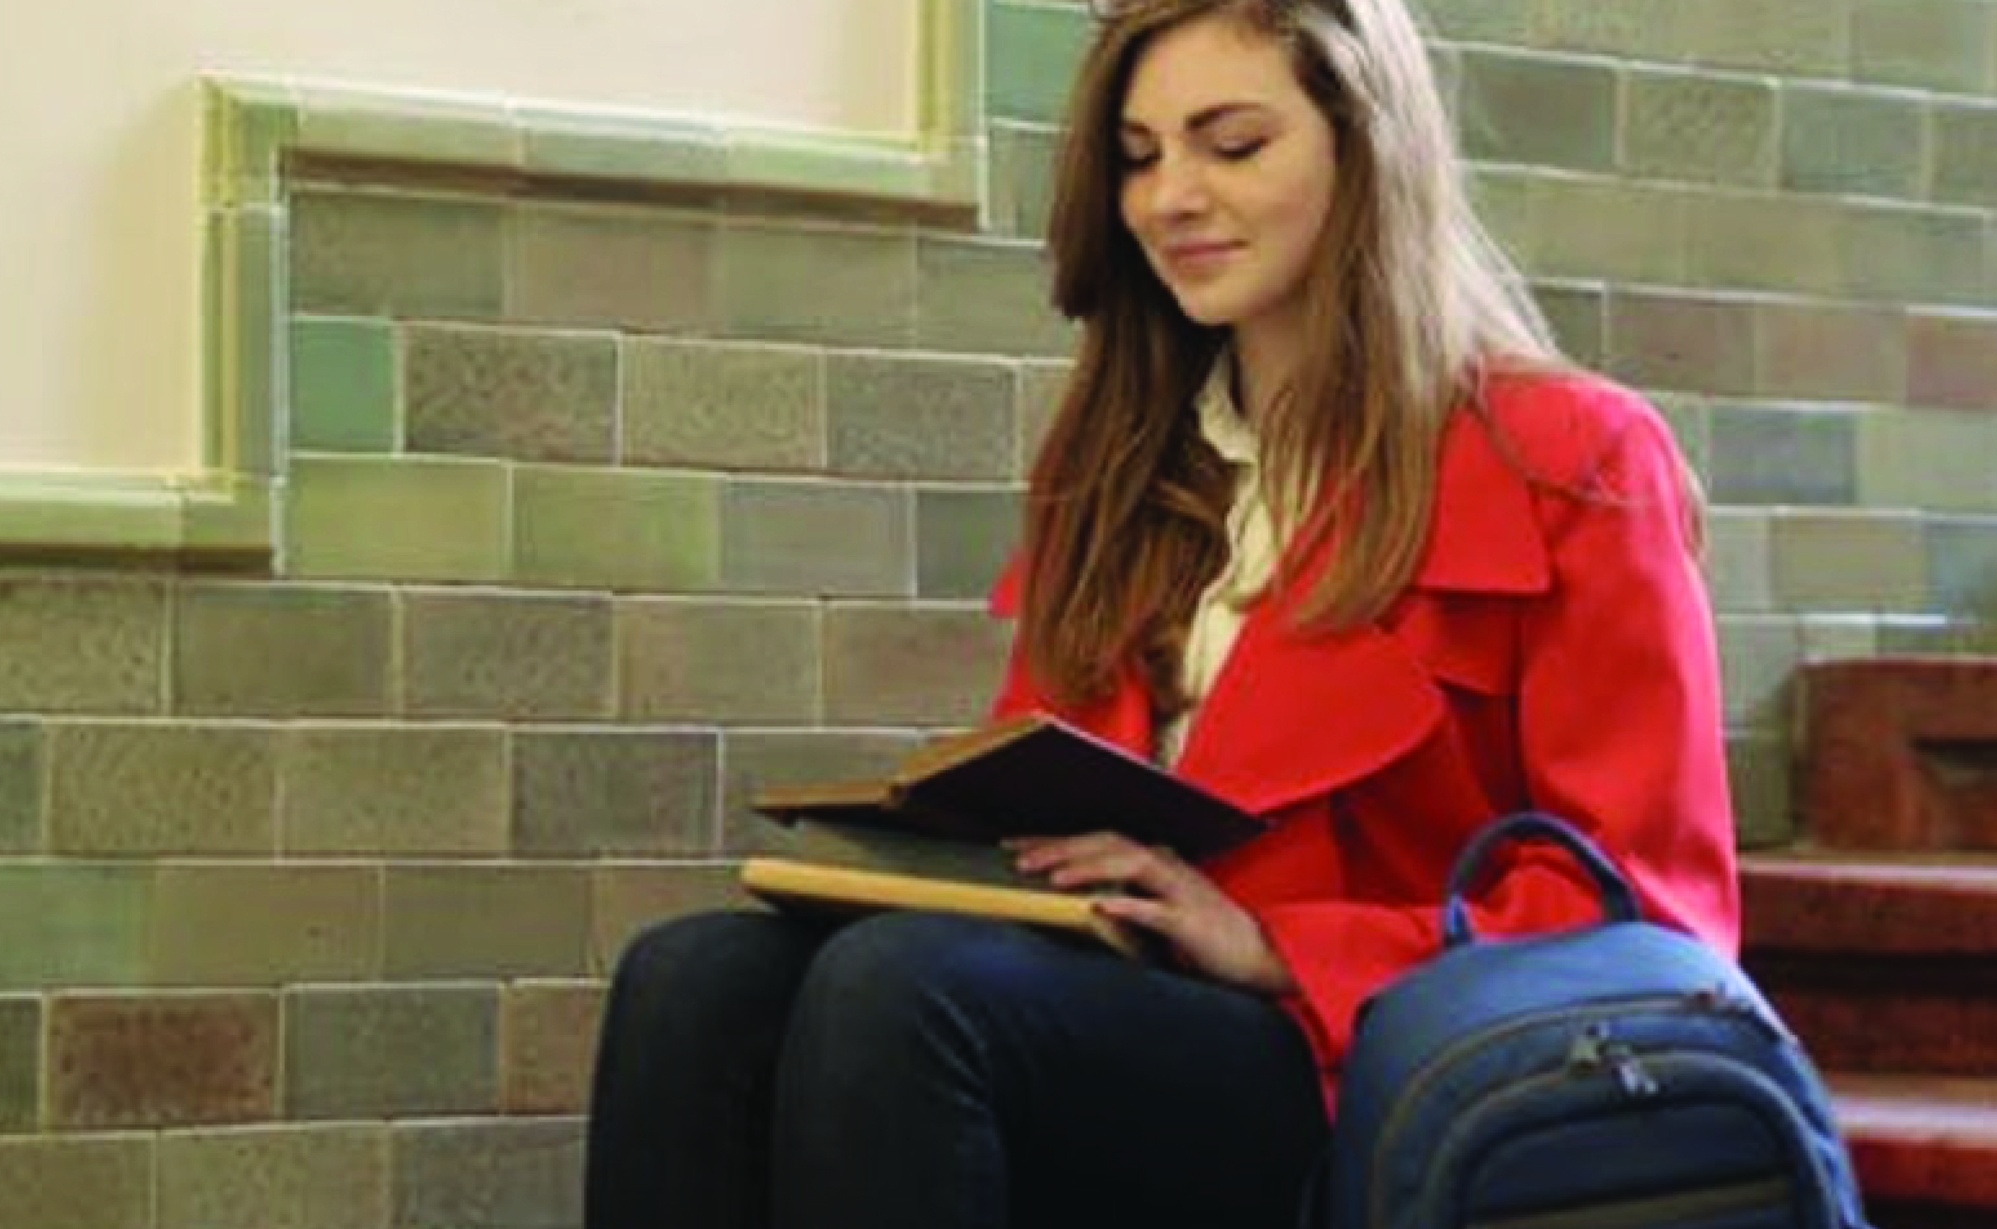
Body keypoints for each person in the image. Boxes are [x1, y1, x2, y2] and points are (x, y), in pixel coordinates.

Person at [581, 0, 1739, 1224]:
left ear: (1367, 149)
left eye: (1230, 145)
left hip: (1363, 1054)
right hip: (1120, 991)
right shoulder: (1119, 459)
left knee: (901, 990)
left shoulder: (1572, 456)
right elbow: (1047, 802)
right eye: (1139, 157)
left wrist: (1282, 945)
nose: (1169, 197)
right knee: (694, 978)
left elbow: (1656, 916)